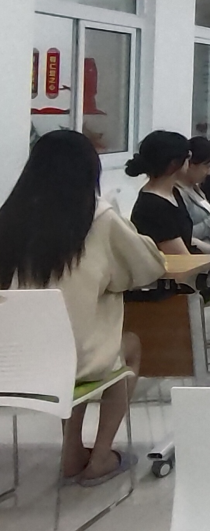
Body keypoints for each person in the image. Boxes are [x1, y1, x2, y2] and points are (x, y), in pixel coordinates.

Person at [0, 131, 166, 486]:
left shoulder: (9, 216)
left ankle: (72, 451)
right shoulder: (98, 217)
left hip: (10, 366)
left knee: (72, 345)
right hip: (71, 362)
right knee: (127, 347)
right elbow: (148, 266)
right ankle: (101, 455)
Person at [127, 131, 210, 302]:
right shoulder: (154, 206)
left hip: (194, 269)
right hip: (179, 282)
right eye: (187, 158)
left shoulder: (172, 194)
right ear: (174, 164)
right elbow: (183, 260)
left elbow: (188, 239)